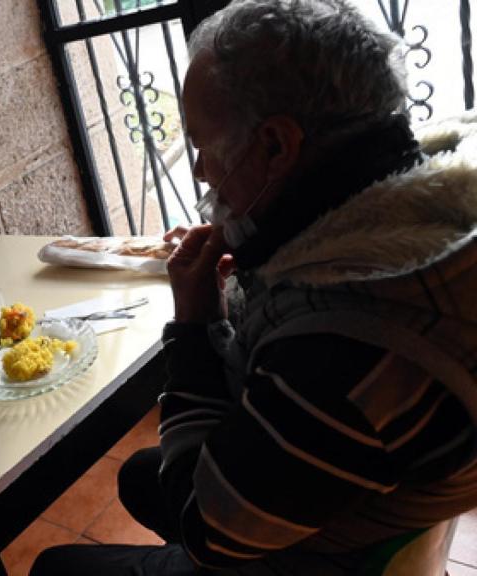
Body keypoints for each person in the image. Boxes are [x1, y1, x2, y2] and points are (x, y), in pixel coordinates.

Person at [32, 1, 477, 574]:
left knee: (57, 565)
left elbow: (206, 530)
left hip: (331, 555)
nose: (199, 170)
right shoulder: (424, 212)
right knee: (140, 474)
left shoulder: (346, 356)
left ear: (275, 145)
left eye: (205, 145)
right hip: (365, 495)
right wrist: (250, 247)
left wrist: (193, 325)